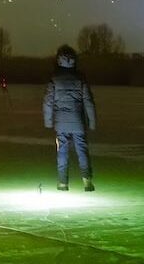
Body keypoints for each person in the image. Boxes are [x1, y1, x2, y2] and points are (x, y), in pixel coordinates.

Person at [42, 44, 96, 191]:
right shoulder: (80, 78)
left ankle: (62, 182)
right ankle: (87, 181)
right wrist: (92, 121)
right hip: (78, 123)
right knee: (82, 151)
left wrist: (48, 121)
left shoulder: (54, 79)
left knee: (62, 152)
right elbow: (88, 101)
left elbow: (48, 102)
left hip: (61, 123)